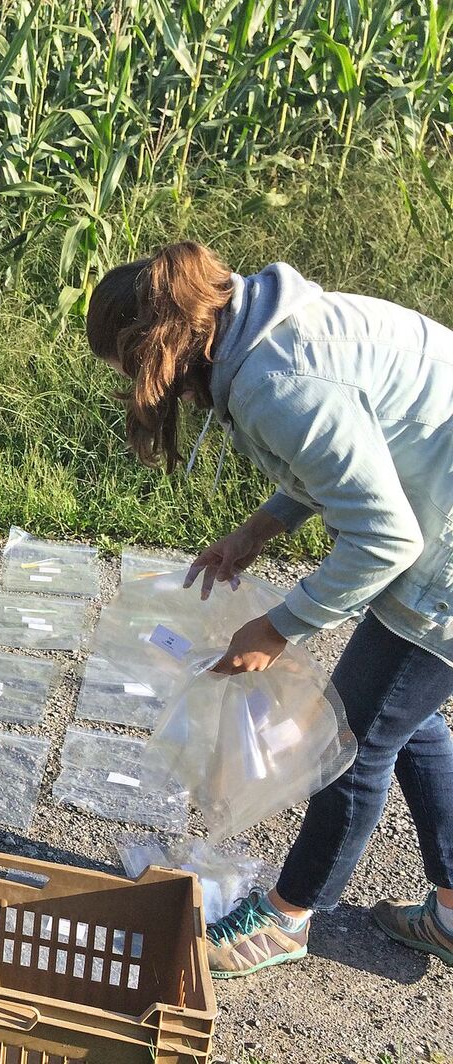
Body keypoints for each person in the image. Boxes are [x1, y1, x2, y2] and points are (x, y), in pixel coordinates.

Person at [87, 240, 453, 978]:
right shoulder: (263, 328)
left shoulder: (275, 380)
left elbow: (386, 536)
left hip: (441, 552)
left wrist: (277, 628)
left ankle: (286, 919)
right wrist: (257, 531)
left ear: (154, 347)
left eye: (127, 368)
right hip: (437, 508)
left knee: (348, 737)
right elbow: (346, 449)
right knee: (406, 718)